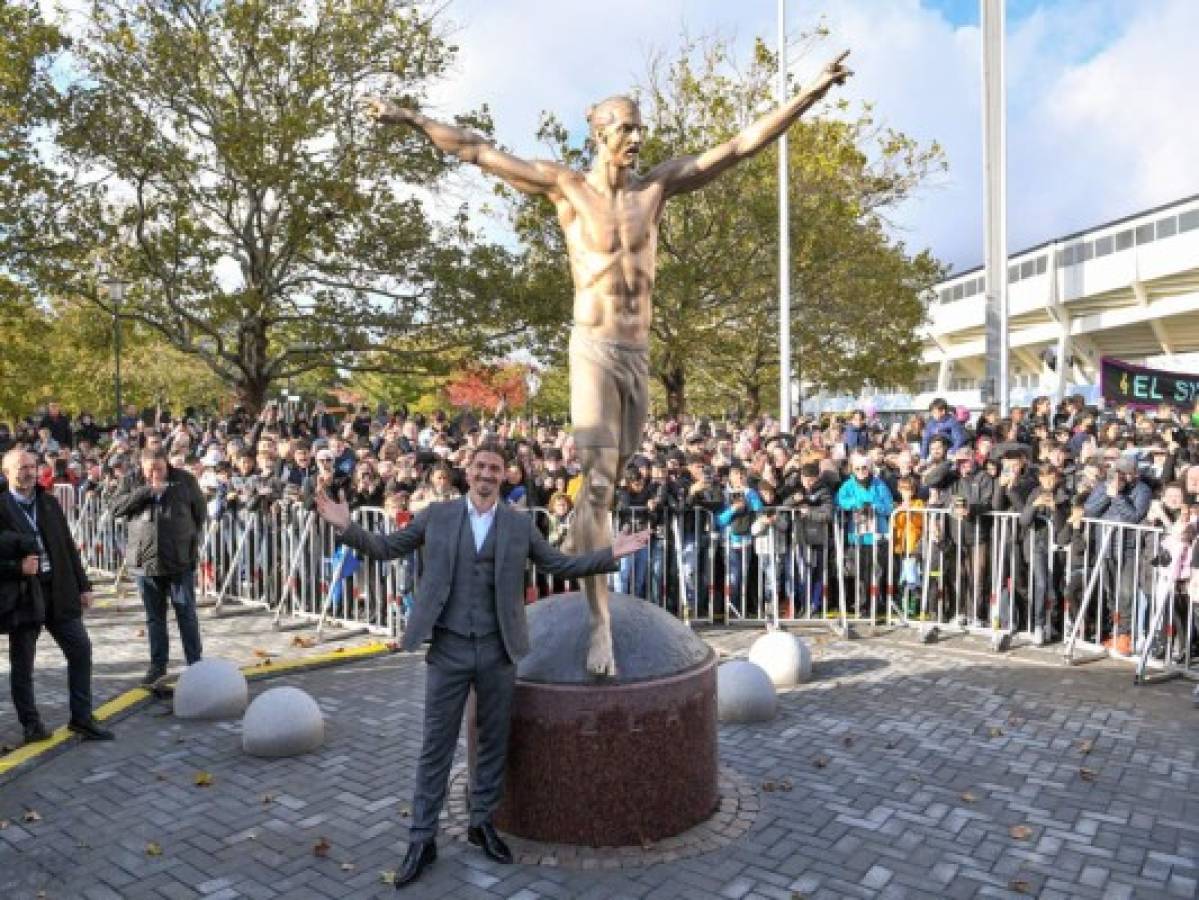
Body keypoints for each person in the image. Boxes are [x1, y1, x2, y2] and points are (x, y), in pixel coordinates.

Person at [366, 50, 852, 677]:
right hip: (592, 347)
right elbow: (476, 149)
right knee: (596, 484)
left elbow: (739, 146)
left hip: (637, 353)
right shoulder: (566, 188)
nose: (637, 137)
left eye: (639, 126)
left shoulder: (656, 190)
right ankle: (599, 626)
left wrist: (811, 91)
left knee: (613, 482)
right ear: (598, 132)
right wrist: (408, 117)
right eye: (625, 127)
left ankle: (576, 545)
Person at [313, 441, 648, 889]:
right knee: (436, 745)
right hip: (449, 649)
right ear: (466, 473)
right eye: (480, 466)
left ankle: (481, 823)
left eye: (495, 468)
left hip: (498, 650)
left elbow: (558, 564)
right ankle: (421, 838)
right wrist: (347, 526)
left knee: (493, 741)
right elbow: (388, 546)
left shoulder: (518, 525)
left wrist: (610, 553)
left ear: (502, 475)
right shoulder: (437, 516)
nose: (487, 473)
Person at [0, 448, 113, 742]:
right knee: (23, 664)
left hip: (59, 590)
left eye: (31, 466)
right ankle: (31, 724)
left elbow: (66, 545)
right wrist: (16, 567)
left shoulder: (48, 502)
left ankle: (82, 718)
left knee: (81, 650)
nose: (28, 471)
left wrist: (84, 586)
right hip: (24, 596)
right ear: (7, 473)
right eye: (20, 467)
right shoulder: (1, 507)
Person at [110, 447, 208, 684]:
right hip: (145, 562)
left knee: (186, 613)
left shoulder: (184, 480)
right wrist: (146, 492)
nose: (155, 474)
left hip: (179, 560)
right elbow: (116, 508)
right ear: (142, 467)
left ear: (167, 464)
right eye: (150, 470)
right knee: (155, 617)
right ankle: (158, 665)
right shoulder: (131, 480)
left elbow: (200, 514)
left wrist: (186, 540)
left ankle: (195, 663)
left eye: (160, 469)